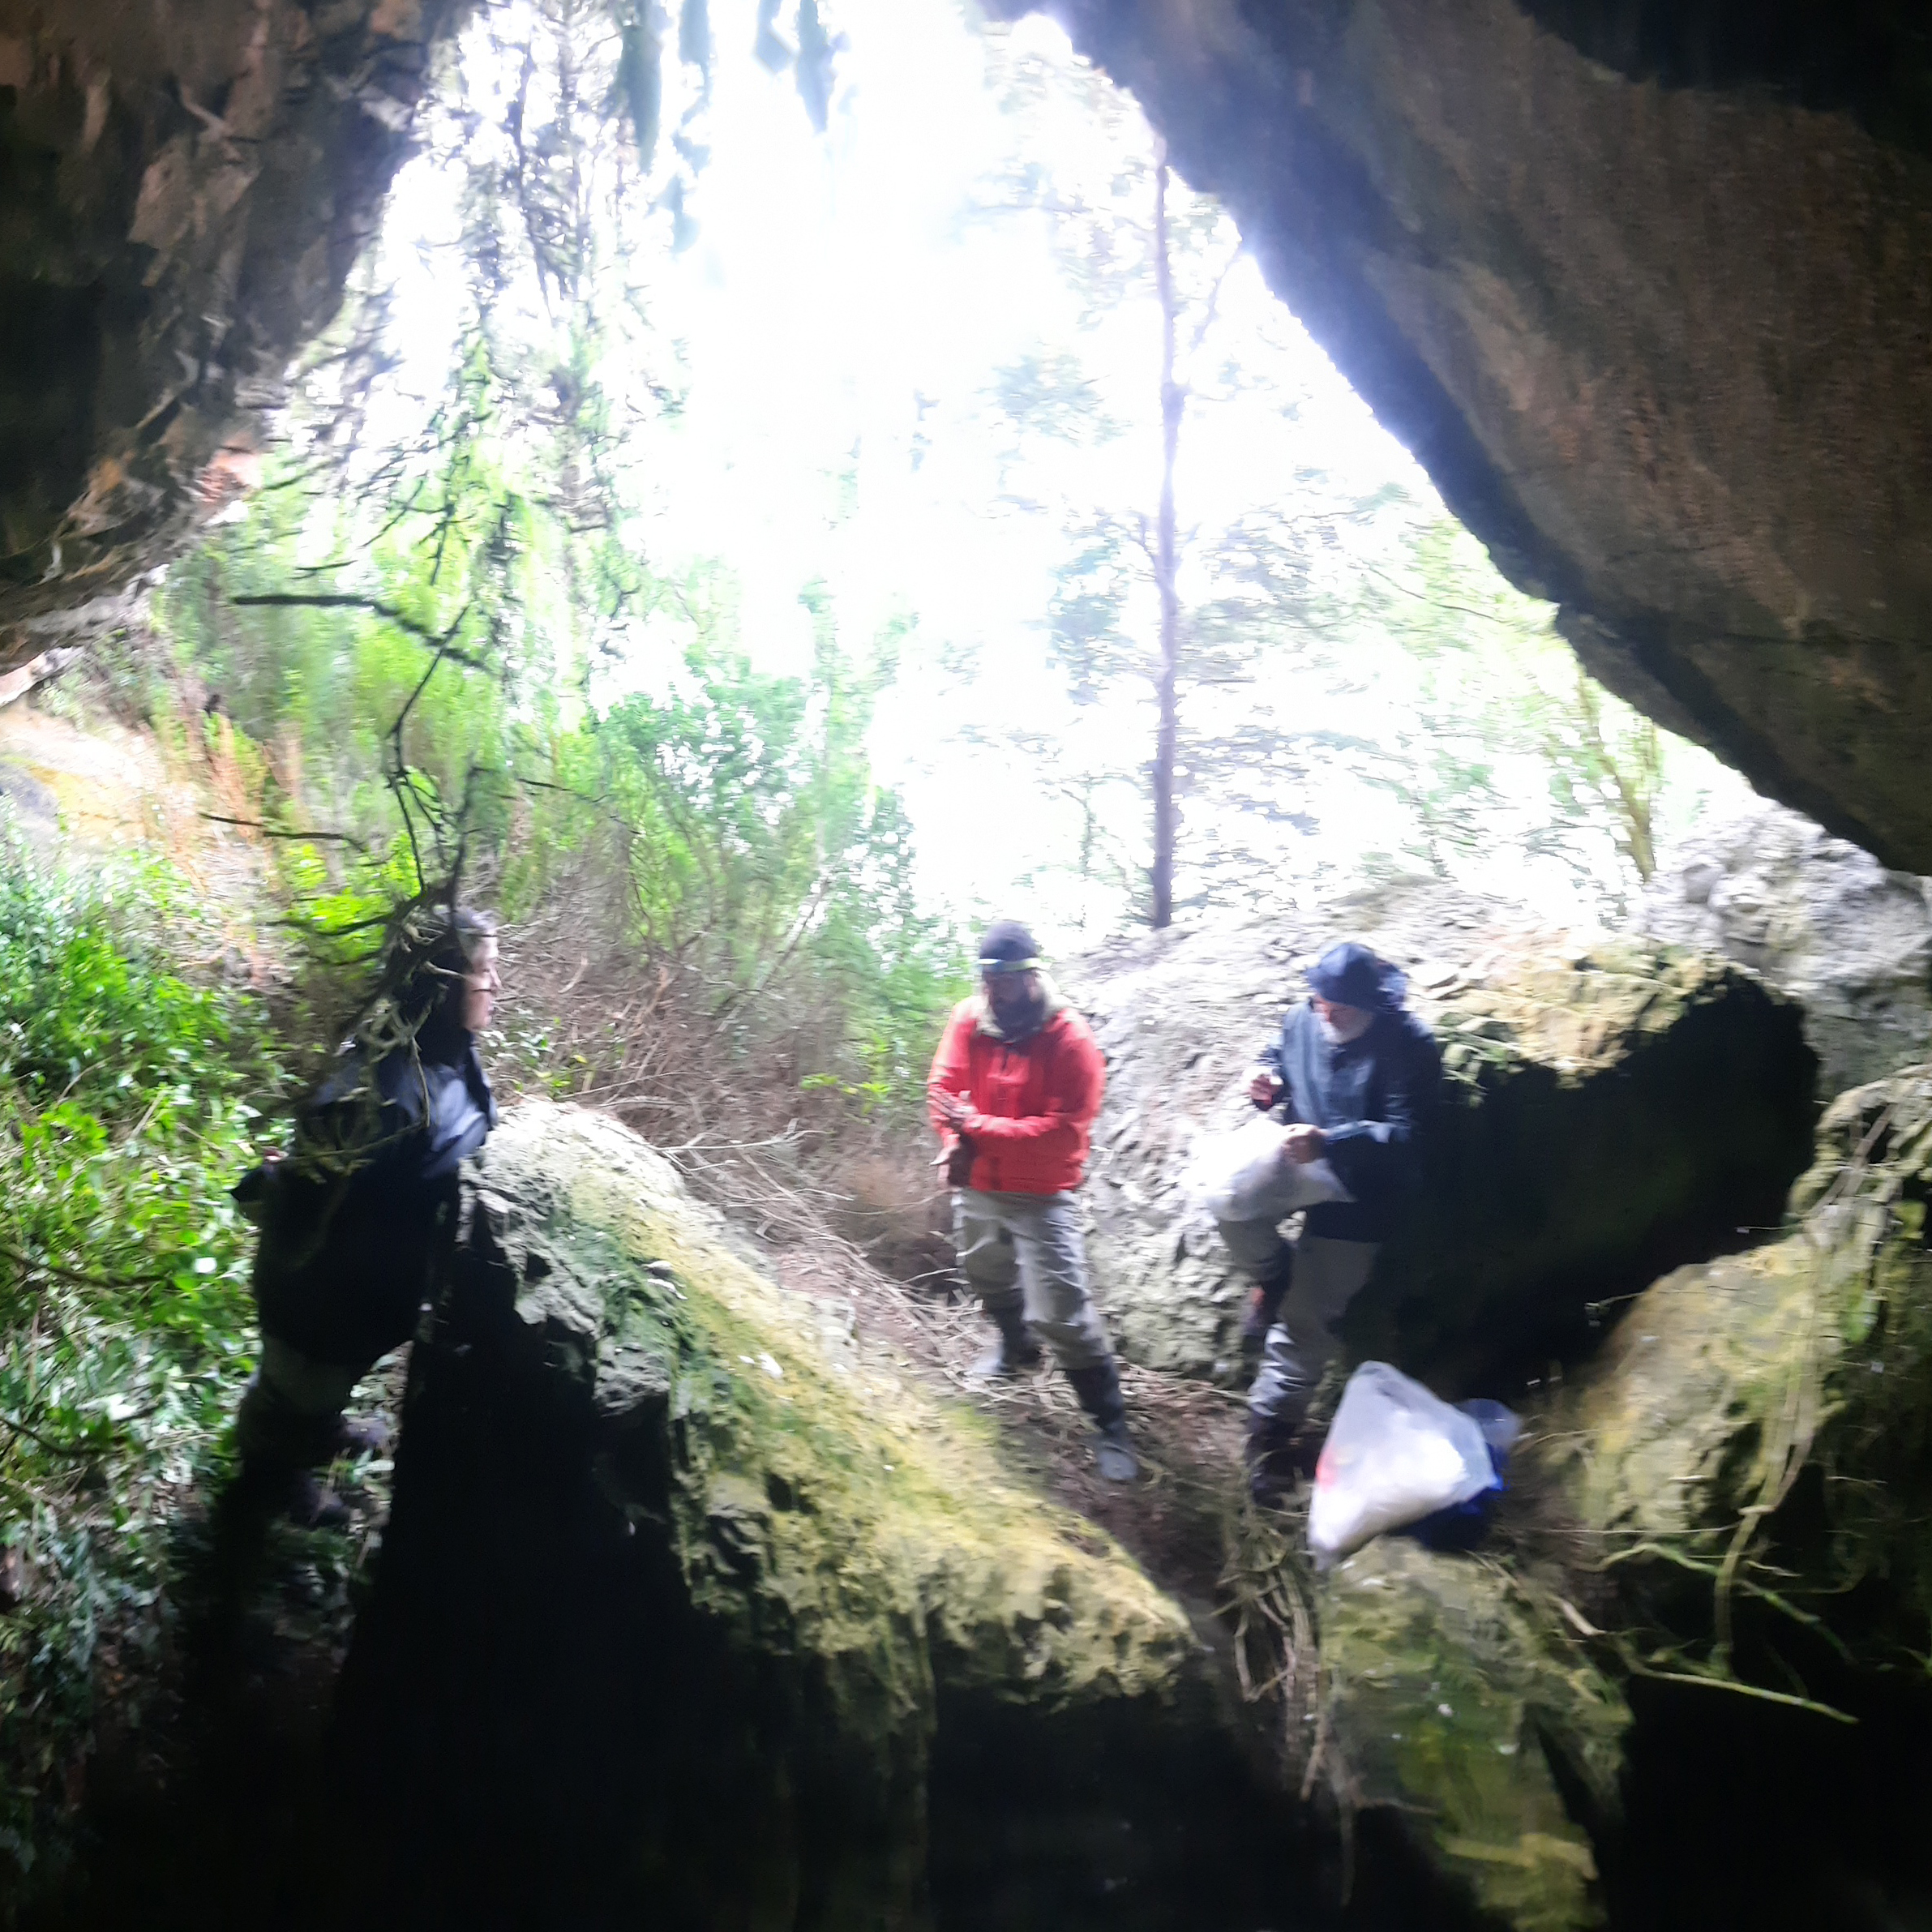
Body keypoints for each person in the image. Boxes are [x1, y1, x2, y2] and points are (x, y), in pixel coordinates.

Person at [226, 906, 503, 1527]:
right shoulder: (379, 1087)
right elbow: (308, 1202)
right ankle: (269, 1476)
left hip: (372, 1303)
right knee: (294, 1388)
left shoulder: (448, 1051)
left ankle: (321, 1423)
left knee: (324, 1386)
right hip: (324, 1305)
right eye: (485, 971)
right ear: (444, 980)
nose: (496, 986)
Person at [1222, 940, 1440, 1501]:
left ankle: (1268, 1438)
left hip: (1363, 1191)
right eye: (1320, 1000)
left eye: (1338, 1007)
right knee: (1223, 1201)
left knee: (1307, 1318)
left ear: (1369, 1005)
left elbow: (1410, 1139)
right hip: (1297, 1155)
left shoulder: (1407, 1043)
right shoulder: (1305, 1015)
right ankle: (1272, 1275)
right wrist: (1266, 1078)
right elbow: (1278, 1052)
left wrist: (1334, 1141)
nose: (1325, 1014)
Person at [928, 920, 1137, 1483]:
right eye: (986, 979)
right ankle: (1015, 1348)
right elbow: (942, 1090)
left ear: (1030, 976)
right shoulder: (969, 1020)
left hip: (1042, 1192)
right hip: (978, 1179)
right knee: (984, 1271)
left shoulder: (1070, 1041)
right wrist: (955, 1143)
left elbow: (1062, 1132)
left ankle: (1109, 1423)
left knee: (1061, 1311)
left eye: (1005, 980)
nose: (993, 990)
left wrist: (976, 1126)